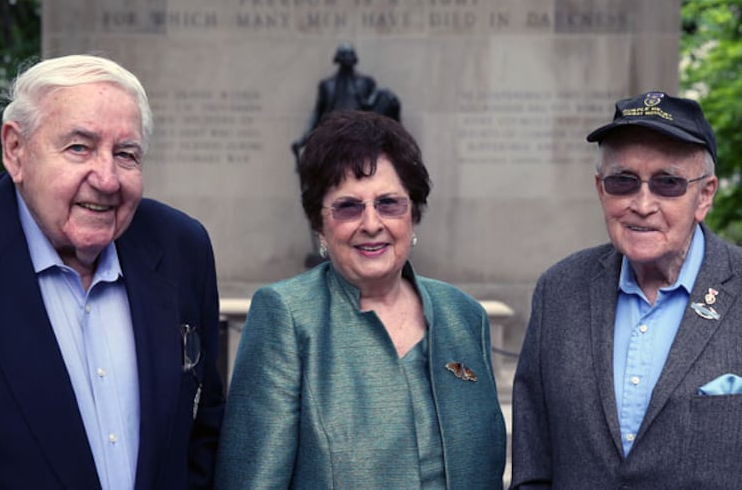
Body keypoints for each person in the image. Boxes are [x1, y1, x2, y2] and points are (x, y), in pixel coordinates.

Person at [216, 110, 506, 489]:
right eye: (349, 206)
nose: (371, 224)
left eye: (389, 203)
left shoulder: (463, 316)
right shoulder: (286, 317)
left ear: (413, 216)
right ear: (319, 225)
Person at [0, 54, 224, 489]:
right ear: (15, 150)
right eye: (80, 147)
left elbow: (204, 429)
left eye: (126, 154)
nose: (108, 179)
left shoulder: (182, 248)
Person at [511, 91, 742, 489]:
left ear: (704, 195)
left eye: (667, 183)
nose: (642, 203)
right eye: (624, 181)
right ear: (601, 188)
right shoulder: (559, 291)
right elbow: (534, 465)